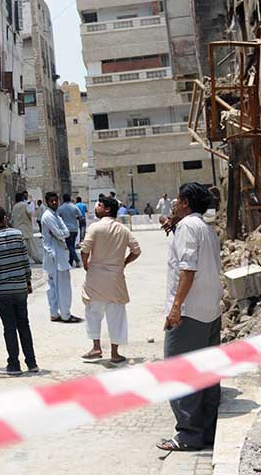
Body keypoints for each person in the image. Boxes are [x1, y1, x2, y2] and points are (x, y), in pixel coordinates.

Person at [157, 183, 224, 453]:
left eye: (176, 200)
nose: (173, 203)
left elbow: (188, 269)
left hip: (189, 312)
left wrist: (176, 308)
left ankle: (188, 434)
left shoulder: (187, 227)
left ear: (185, 202)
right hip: (210, 311)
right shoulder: (204, 227)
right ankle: (206, 431)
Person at [80, 197, 141, 364]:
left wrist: (86, 264)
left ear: (107, 209)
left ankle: (96, 346)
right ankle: (115, 353)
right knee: (116, 314)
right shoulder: (123, 230)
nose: (96, 207)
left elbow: (85, 249)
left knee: (93, 311)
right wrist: (124, 262)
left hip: (95, 276)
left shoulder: (95, 227)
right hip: (115, 278)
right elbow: (136, 250)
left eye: (99, 205)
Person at [0, 206, 39, 376]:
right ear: (5, 218)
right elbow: (24, 260)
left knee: (9, 327)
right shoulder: (17, 235)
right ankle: (32, 362)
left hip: (2, 292)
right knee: (24, 325)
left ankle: (14, 364)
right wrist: (27, 282)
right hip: (20, 288)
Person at [41, 193, 81, 324]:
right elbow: (60, 233)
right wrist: (61, 233)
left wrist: (61, 233)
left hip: (55, 254)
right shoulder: (48, 216)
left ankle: (54, 313)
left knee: (53, 285)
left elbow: (66, 232)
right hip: (55, 255)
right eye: (51, 201)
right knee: (61, 285)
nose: (54, 203)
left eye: (55, 200)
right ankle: (65, 314)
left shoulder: (56, 215)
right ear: (47, 202)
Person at [11, 192, 39, 264]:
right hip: (26, 227)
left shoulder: (14, 206)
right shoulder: (25, 205)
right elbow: (30, 213)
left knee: (19, 244)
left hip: (17, 228)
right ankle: (35, 258)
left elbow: (12, 218)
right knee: (30, 245)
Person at [57, 193, 83, 268]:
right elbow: (80, 217)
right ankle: (70, 262)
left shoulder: (61, 208)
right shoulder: (74, 207)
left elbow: (57, 217)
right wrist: (75, 218)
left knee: (69, 246)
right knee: (72, 246)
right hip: (75, 228)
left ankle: (77, 260)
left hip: (67, 229)